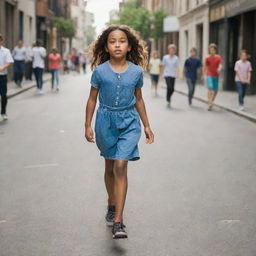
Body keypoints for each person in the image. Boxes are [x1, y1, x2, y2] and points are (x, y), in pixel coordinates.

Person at [85, 25, 154, 239]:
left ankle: (118, 222)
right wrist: (87, 125)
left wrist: (146, 125)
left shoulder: (136, 72)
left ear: (129, 46)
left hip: (129, 122)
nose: (117, 44)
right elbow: (92, 99)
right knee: (109, 167)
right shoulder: (100, 71)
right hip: (105, 122)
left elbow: (139, 99)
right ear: (106, 46)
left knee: (121, 165)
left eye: (122, 41)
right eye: (112, 41)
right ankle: (111, 202)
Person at [204, 44, 222, 111]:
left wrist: (219, 69)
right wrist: (204, 75)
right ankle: (209, 104)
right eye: (210, 50)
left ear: (215, 50)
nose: (212, 51)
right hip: (209, 74)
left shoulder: (218, 57)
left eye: (213, 50)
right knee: (210, 88)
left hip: (216, 75)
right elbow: (205, 66)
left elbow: (220, 65)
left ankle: (211, 101)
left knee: (215, 90)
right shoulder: (207, 58)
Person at [0, 34, 14, 120]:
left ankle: (3, 112)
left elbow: (9, 61)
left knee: (3, 95)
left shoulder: (6, 51)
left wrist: (2, 67)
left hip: (2, 76)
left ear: (1, 41)